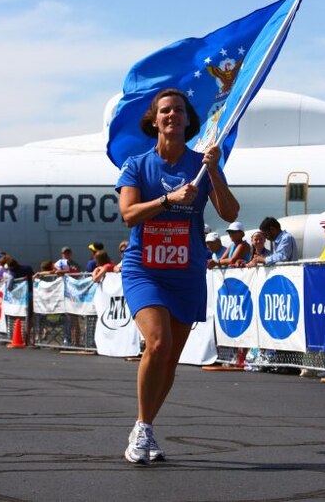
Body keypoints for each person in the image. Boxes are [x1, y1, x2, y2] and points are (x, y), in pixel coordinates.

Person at [116, 88, 239, 465]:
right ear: (154, 120)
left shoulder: (201, 165)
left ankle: (147, 426)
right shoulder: (136, 165)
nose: (172, 115)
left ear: (188, 120)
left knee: (169, 357)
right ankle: (140, 429)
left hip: (185, 271)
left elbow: (230, 212)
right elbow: (129, 214)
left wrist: (214, 170)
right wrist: (168, 200)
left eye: (179, 111)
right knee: (157, 342)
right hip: (145, 269)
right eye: (165, 111)